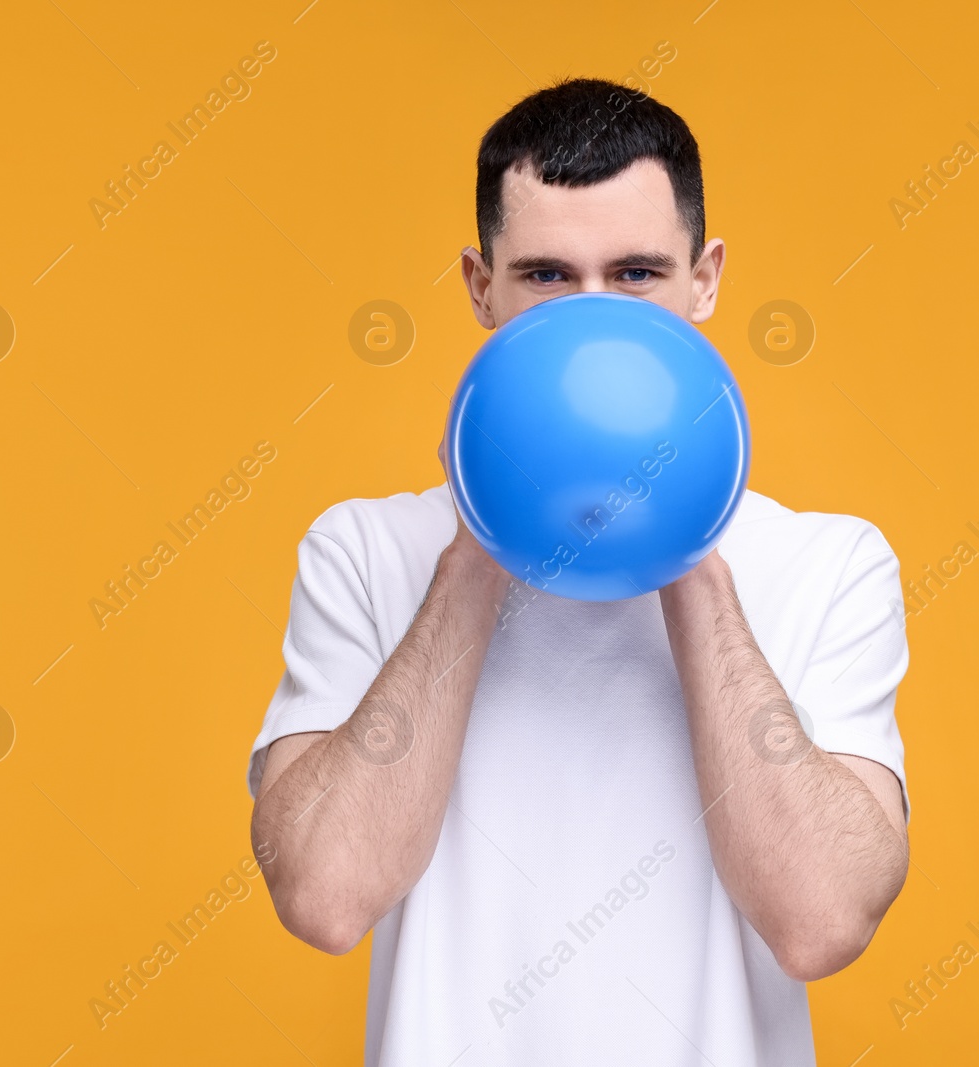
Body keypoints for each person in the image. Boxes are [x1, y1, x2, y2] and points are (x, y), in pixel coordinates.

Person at [246, 77, 911, 1066]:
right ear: (481, 289)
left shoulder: (829, 564)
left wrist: (680, 533)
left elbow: (819, 922)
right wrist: (486, 528)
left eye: (637, 272)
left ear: (705, 281)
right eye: (548, 277)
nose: (595, 326)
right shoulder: (365, 552)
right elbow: (326, 896)